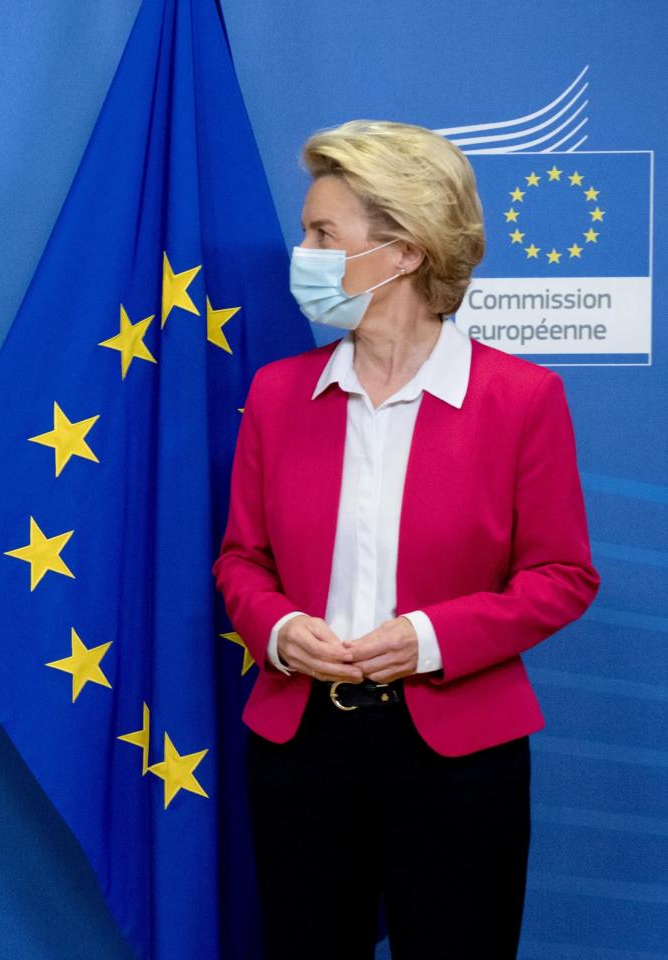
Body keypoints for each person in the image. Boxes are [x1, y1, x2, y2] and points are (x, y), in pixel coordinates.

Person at [213, 120, 600, 959]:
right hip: (299, 748)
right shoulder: (279, 396)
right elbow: (243, 559)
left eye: (324, 233)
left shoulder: (522, 399)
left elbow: (562, 574)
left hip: (460, 756)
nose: (302, 251)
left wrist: (428, 638)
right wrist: (278, 630)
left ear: (405, 252)